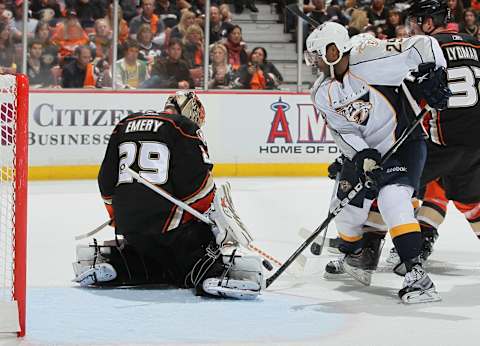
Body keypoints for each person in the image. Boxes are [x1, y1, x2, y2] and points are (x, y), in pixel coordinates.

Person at [306, 21, 451, 303]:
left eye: (316, 55)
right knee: (344, 209)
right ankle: (356, 256)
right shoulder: (321, 92)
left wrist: (436, 72)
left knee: (392, 201)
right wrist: (361, 155)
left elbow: (425, 44)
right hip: (368, 154)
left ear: (333, 51)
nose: (314, 63)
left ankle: (416, 275)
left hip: (403, 145)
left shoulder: (372, 58)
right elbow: (343, 131)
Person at [72, 91, 265, 299]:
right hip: (170, 227)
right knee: (198, 243)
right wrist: (209, 221)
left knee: (153, 261)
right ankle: (211, 275)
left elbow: (105, 180)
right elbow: (199, 186)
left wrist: (117, 215)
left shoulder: (125, 124)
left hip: (128, 226)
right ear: (193, 113)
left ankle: (120, 267)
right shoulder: (184, 127)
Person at [386, 0, 480, 265]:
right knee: (469, 202)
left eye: (414, 23)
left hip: (443, 139)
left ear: (428, 23)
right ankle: (423, 236)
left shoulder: (425, 47)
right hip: (475, 142)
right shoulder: (474, 43)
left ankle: (365, 247)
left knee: (392, 183)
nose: (410, 30)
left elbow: (405, 93)